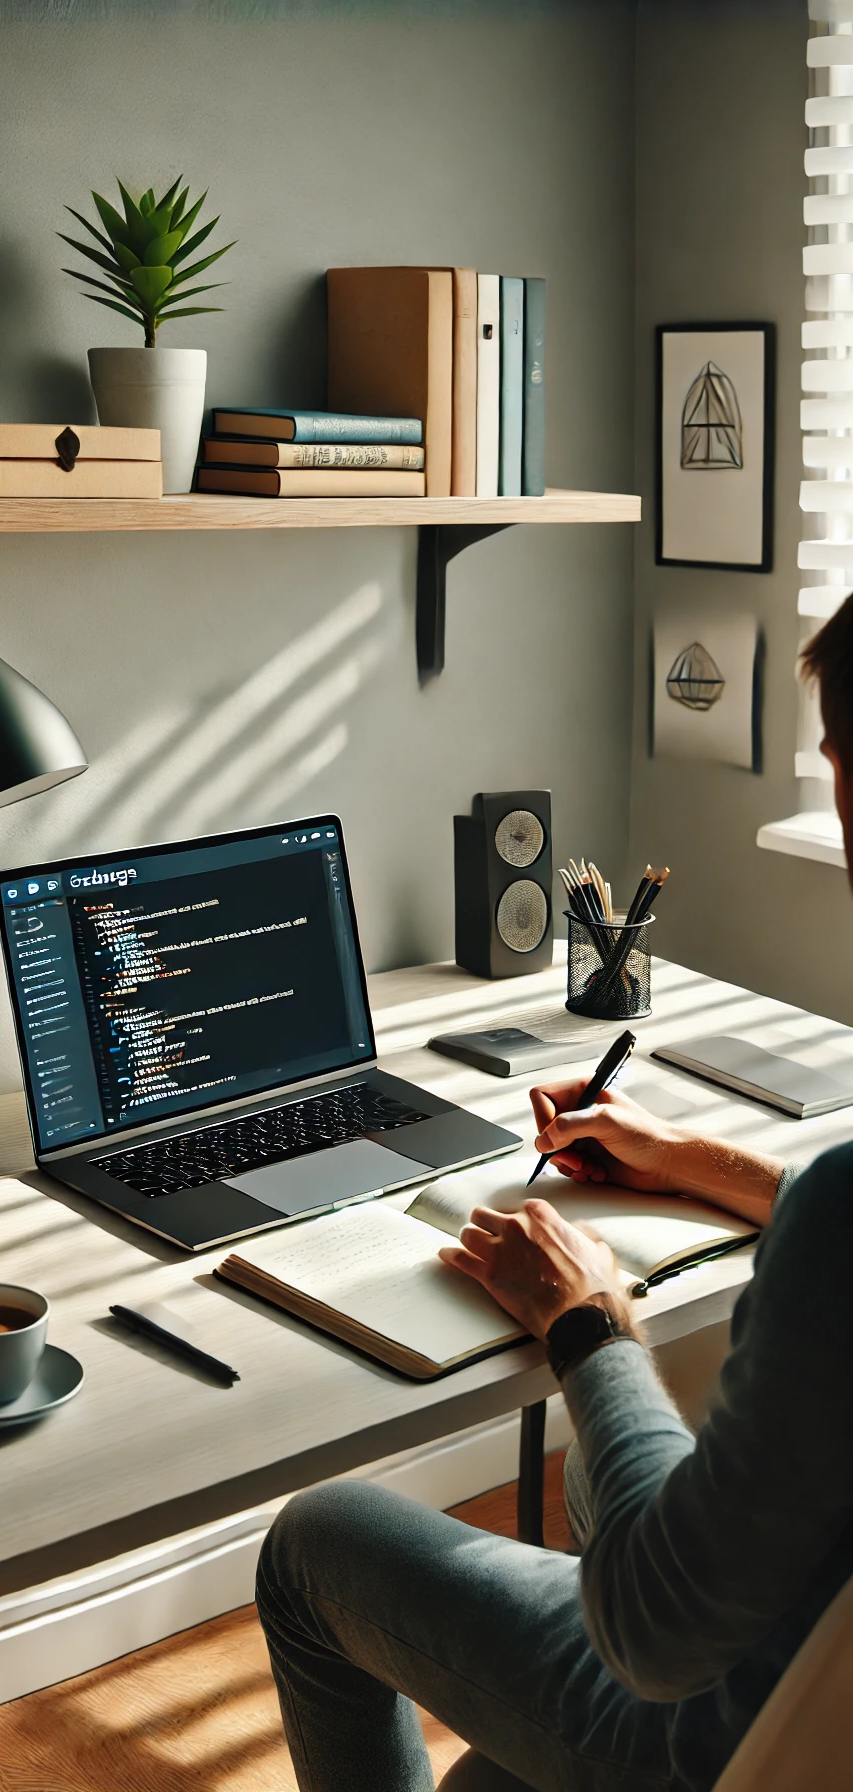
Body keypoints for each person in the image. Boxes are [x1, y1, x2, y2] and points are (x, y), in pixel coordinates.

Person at [256, 597, 853, 1792]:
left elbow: (647, 1631)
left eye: (833, 752)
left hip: (723, 1731)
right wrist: (699, 1161)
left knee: (315, 1542)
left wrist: (590, 1325)